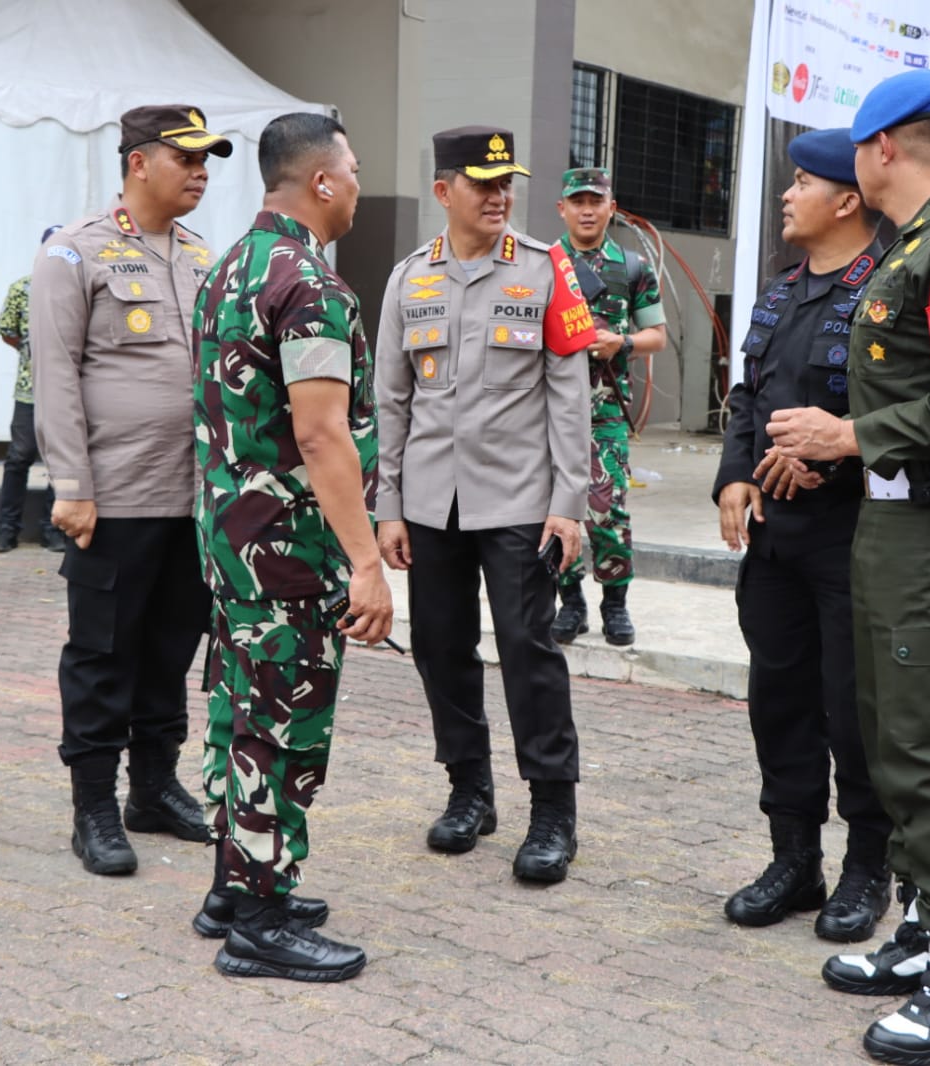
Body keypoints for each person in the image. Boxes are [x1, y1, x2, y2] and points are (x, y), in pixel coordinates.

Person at [763, 72, 930, 1064]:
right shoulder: (916, 246)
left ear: (880, 150)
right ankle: (922, 935)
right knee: (892, 738)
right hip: (899, 530)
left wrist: (847, 432)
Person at [192, 112, 391, 982]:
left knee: (239, 715)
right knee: (283, 728)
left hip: (234, 547)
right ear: (319, 181)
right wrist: (366, 561)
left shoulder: (230, 267)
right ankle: (262, 921)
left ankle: (234, 887)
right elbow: (319, 437)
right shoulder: (308, 284)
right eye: (349, 170)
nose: (354, 184)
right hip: (287, 556)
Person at [376, 126, 596, 884]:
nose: (500, 195)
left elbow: (570, 395)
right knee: (440, 647)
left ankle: (552, 811)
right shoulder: (409, 278)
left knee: (528, 652)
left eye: (507, 183)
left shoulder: (545, 270)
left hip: (519, 503)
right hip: (432, 503)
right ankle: (469, 790)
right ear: (444, 192)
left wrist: (569, 502)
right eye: (483, 183)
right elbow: (390, 399)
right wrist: (389, 503)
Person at [30, 105, 225, 876]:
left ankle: (152, 788)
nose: (202, 170)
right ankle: (94, 806)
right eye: (187, 158)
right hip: (112, 499)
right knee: (103, 652)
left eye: (209, 158)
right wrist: (72, 485)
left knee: (172, 646)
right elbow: (54, 377)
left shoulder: (202, 256)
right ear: (139, 163)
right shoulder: (74, 254)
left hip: (190, 499)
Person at [711, 128, 892, 944]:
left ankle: (865, 870)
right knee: (777, 701)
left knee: (852, 711)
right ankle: (794, 860)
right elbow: (747, 398)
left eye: (800, 184)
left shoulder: (888, 289)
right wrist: (737, 475)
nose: (786, 196)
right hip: (774, 540)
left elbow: (901, 413)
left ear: (845, 200)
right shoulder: (779, 292)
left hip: (853, 538)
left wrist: (831, 453)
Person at [548, 167, 667, 647]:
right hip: (550, 413)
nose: (587, 210)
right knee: (555, 511)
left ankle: (614, 603)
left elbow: (657, 336)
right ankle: (569, 602)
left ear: (611, 208)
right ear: (563, 209)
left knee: (607, 509)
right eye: (577, 202)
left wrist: (623, 342)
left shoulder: (633, 266)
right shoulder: (544, 263)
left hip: (606, 413)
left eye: (596, 201)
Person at [0, 225, 68, 554]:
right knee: (18, 458)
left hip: (65, 394)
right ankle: (7, 529)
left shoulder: (78, 290)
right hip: (29, 391)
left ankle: (53, 528)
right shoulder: (22, 288)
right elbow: (7, 331)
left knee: (61, 462)